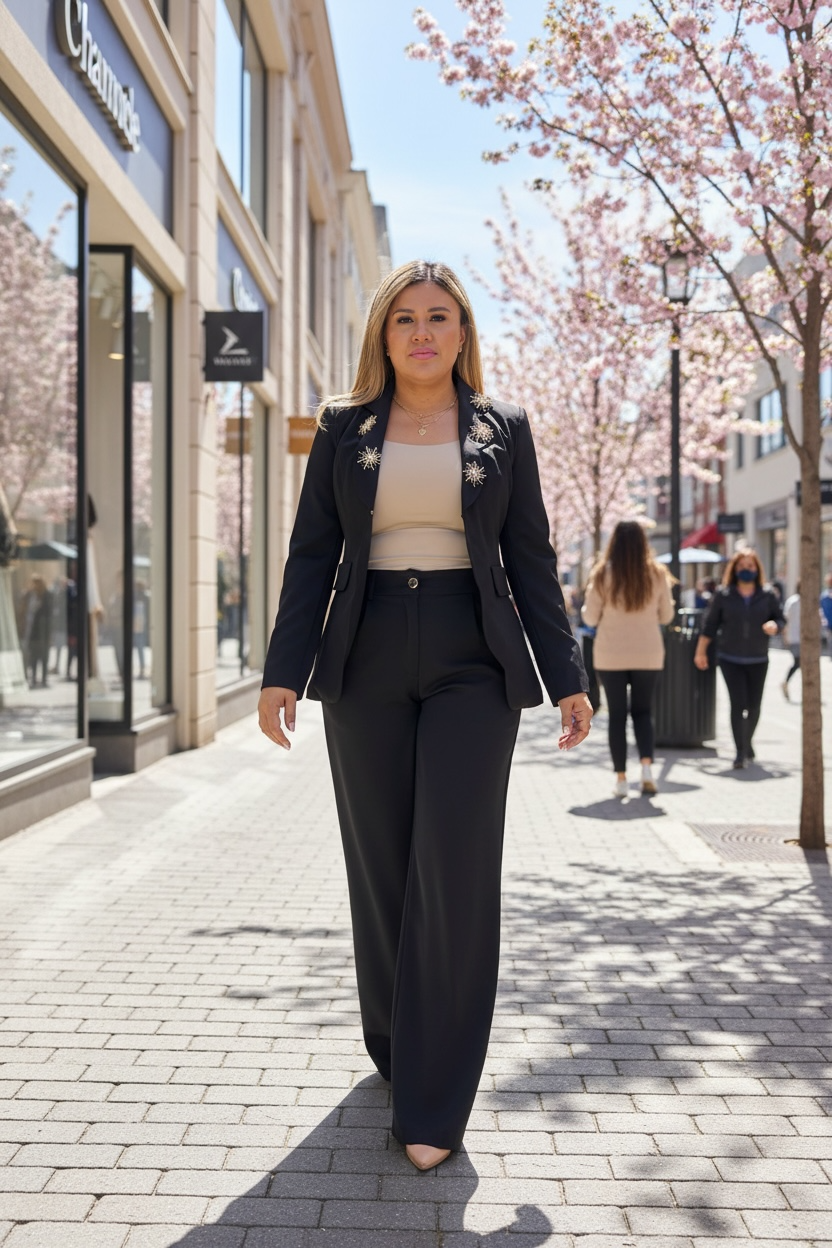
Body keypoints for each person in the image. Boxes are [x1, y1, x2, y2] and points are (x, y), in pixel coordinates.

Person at [257, 259, 592, 1171]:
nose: (421, 332)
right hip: (363, 657)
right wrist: (283, 672)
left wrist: (567, 676)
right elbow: (310, 556)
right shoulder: (341, 427)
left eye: (439, 316)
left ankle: (435, 1097)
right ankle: (397, 1048)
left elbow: (532, 561)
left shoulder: (503, 429)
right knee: (383, 869)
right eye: (404, 318)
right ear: (383, 332)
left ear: (463, 330)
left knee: (453, 862)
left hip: (470, 663)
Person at [581, 521, 675, 797]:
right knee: (644, 712)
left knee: (617, 716)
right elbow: (667, 616)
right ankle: (647, 770)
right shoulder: (657, 575)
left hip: (610, 654)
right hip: (648, 653)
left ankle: (621, 779)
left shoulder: (602, 575)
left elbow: (589, 617)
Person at [693, 548, 785, 768]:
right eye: (742, 566)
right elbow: (710, 625)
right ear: (735, 569)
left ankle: (746, 741)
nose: (746, 570)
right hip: (730, 658)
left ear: (757, 569)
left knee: (754, 706)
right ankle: (740, 752)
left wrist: (776, 626)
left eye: (750, 566)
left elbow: (780, 619)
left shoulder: (767, 594)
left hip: (758, 658)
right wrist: (701, 651)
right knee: (738, 704)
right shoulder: (724, 595)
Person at [782, 582, 801, 700]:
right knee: (798, 662)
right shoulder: (793, 602)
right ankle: (786, 682)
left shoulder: (811, 602)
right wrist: (785, 637)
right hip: (794, 637)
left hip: (802, 638)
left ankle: (786, 683)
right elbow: (785, 620)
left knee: (800, 663)